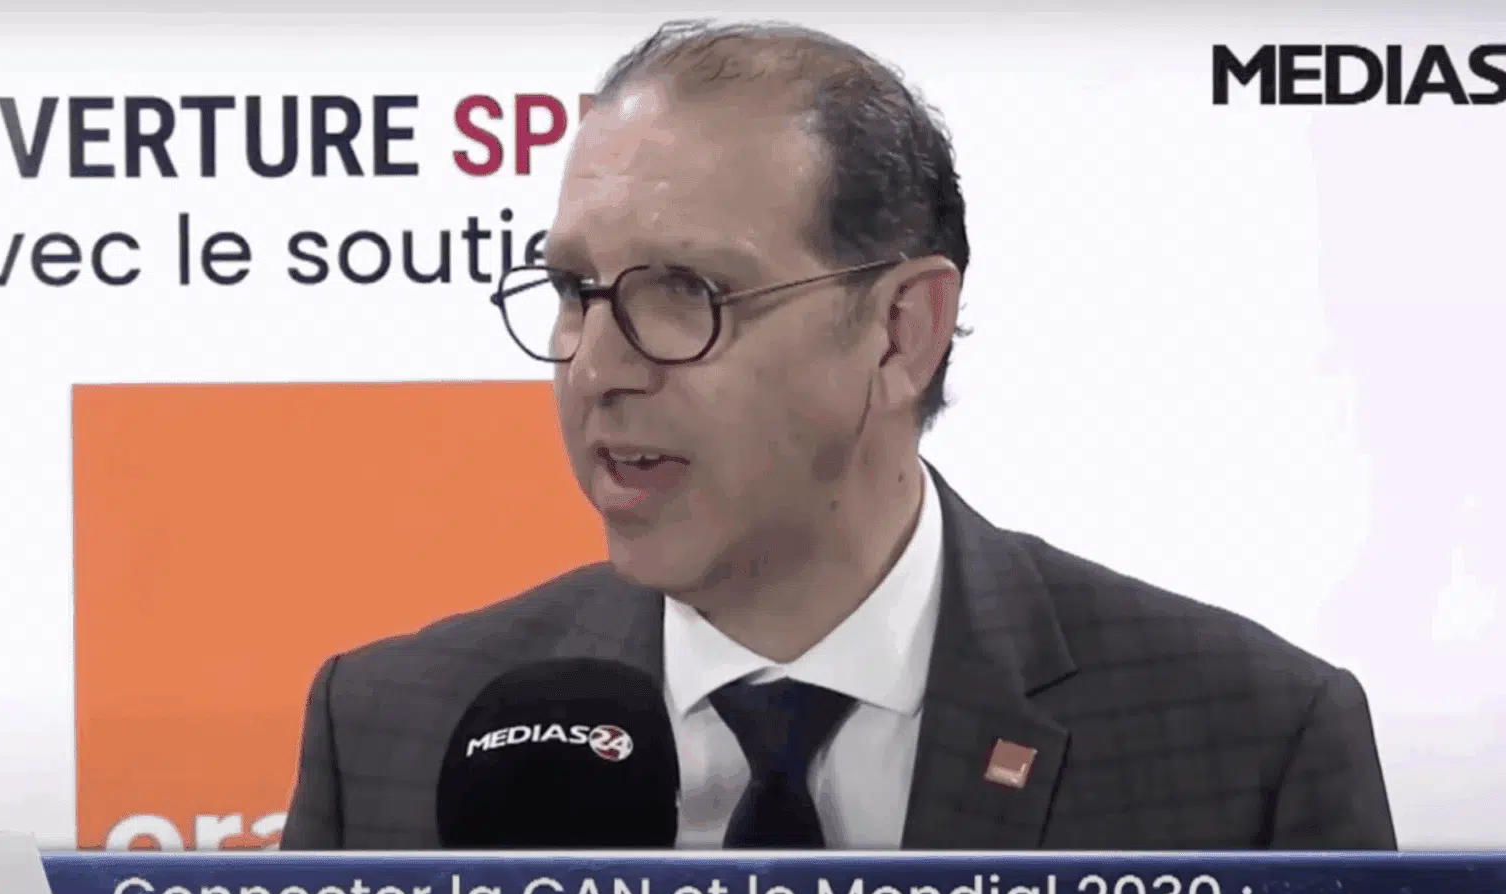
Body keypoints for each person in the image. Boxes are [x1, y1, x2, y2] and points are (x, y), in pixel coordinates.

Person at [280, 19, 1397, 851]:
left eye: (685, 292)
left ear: (902, 331)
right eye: (575, 290)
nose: (597, 368)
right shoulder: (388, 733)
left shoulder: (1249, 745)